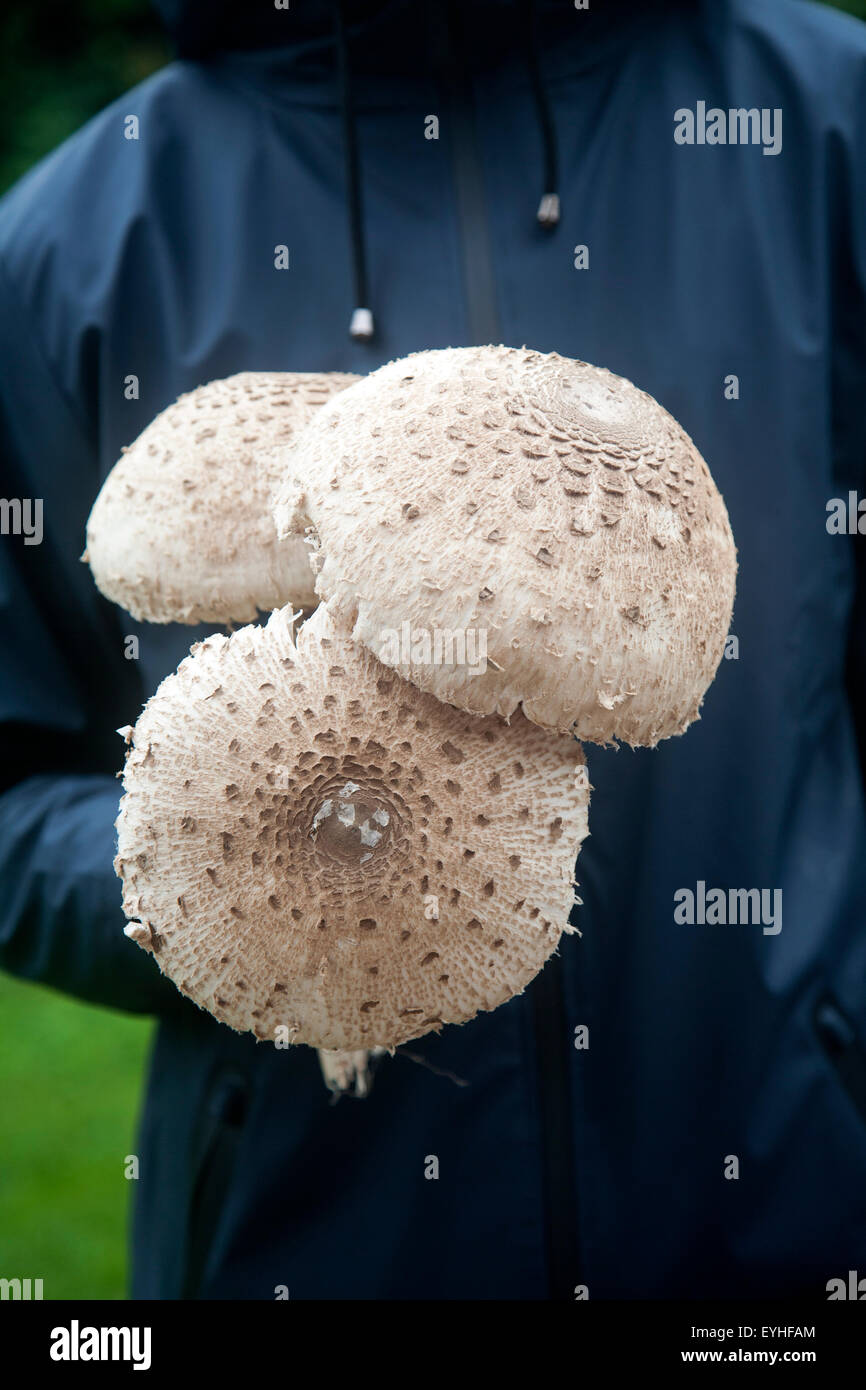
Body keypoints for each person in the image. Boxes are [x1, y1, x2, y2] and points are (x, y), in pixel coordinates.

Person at [2, 0, 866, 1301]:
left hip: (782, 1226)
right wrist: (214, 875)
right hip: (305, 1242)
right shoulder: (72, 239)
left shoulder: (827, 123)